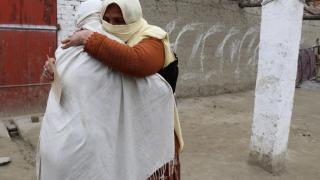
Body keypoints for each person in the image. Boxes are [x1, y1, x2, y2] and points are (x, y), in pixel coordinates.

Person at [40, 0, 183, 179]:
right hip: (126, 132)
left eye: (119, 20)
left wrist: (87, 38)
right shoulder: (106, 44)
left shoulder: (152, 38)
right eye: (107, 20)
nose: (112, 26)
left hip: (154, 127)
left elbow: (136, 62)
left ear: (133, 18)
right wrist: (56, 67)